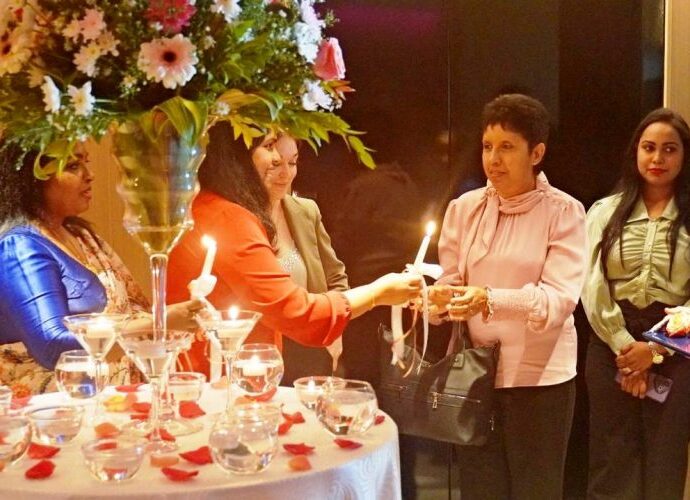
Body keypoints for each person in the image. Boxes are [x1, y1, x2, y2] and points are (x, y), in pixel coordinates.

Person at [167, 122, 422, 376]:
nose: (281, 165)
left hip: (250, 365)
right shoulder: (227, 217)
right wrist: (378, 293)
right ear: (236, 152)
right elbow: (296, 312)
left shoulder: (212, 208)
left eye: (292, 162)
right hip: (218, 373)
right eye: (270, 146)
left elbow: (332, 277)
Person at [427, 94, 586, 499]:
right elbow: (451, 279)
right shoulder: (464, 208)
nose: (493, 159)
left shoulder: (564, 212)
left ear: (537, 153)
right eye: (487, 146)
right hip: (475, 375)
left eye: (507, 147)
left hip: (540, 381)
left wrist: (488, 299)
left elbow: (558, 301)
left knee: (536, 491)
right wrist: (436, 301)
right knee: (480, 490)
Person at [0, 144, 200, 395]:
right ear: (33, 176)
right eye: (73, 165)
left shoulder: (79, 234)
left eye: (86, 162)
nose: (89, 175)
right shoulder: (19, 247)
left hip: (106, 399)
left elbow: (130, 311)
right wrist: (156, 324)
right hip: (51, 407)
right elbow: (52, 348)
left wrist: (167, 318)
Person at [582, 108, 690, 500]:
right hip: (611, 343)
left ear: (684, 156)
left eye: (669, 149)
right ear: (635, 152)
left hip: (677, 347)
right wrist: (626, 348)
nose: (657, 158)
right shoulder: (605, 211)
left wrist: (656, 350)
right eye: (649, 148)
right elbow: (591, 283)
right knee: (611, 461)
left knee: (665, 461)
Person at [268, 134, 349, 384]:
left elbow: (336, 278)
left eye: (292, 163)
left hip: (310, 347)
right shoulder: (239, 218)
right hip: (260, 351)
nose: (286, 174)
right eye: (275, 164)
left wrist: (335, 330)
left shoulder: (306, 210)